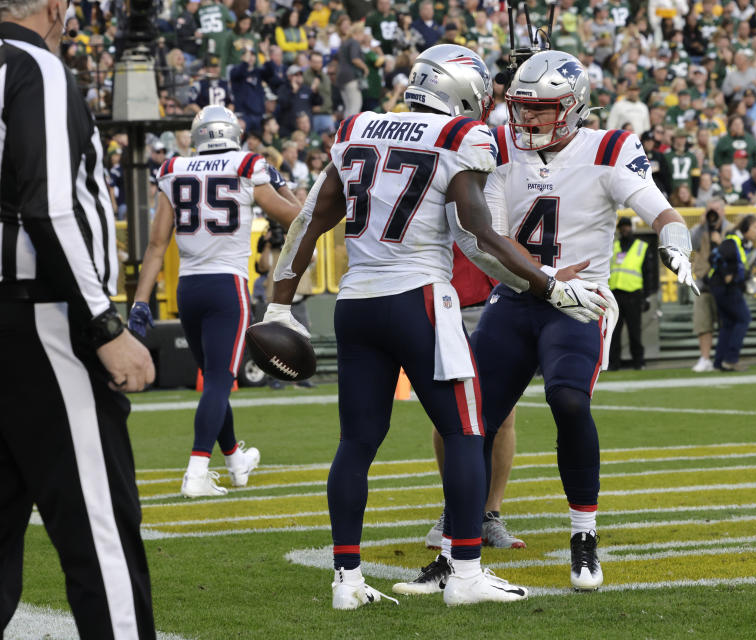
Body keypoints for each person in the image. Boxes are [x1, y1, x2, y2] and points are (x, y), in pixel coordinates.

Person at [262, 44, 607, 609]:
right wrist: (548, 284)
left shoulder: (358, 127)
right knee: (468, 432)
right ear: (462, 93)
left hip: (356, 303)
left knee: (356, 442)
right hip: (420, 299)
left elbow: (309, 220)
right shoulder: (457, 138)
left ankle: (346, 582)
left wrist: (279, 304)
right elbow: (480, 237)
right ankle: (466, 572)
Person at [442, 50, 697, 592]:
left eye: (542, 109)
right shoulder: (498, 141)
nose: (527, 119)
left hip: (581, 300)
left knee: (569, 399)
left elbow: (660, 210)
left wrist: (675, 238)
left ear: (574, 107)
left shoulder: (610, 146)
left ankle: (584, 535)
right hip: (514, 298)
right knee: (472, 418)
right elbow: (484, 230)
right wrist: (541, 274)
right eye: (522, 107)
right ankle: (455, 546)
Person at [0, 1, 156, 637]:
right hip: (42, 318)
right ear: (55, 8)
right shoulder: (33, 66)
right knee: (100, 527)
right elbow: (50, 205)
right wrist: (104, 326)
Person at [128, 106, 302, 498]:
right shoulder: (247, 164)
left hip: (188, 289)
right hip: (227, 287)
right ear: (232, 134)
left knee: (213, 377)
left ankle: (235, 459)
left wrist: (140, 302)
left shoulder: (174, 169)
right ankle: (196, 472)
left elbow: (157, 245)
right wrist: (282, 183)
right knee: (221, 379)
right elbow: (296, 219)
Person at [419, 248, 526, 556]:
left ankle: (490, 514)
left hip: (502, 301)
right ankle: (454, 509)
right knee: (449, 415)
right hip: (447, 303)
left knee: (504, 416)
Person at [708, 214, 756, 372]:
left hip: (721, 288)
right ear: (745, 228)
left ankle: (719, 362)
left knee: (729, 324)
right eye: (755, 227)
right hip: (725, 288)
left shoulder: (740, 242)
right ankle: (731, 359)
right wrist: (726, 275)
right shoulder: (732, 241)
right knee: (744, 319)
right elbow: (714, 257)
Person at [609, 217, 658, 370]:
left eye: (627, 226)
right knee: (614, 332)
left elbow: (648, 273)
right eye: (622, 227)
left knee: (634, 331)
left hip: (633, 294)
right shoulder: (614, 246)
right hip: (615, 293)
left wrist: (647, 296)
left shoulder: (640, 247)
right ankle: (613, 363)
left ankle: (638, 361)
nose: (625, 229)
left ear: (631, 227)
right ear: (618, 229)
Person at [690, 201, 733, 372]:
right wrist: (701, 226)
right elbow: (690, 246)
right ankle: (705, 358)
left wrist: (721, 241)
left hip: (724, 283)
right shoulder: (699, 229)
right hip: (704, 283)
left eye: (716, 210)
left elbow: (735, 251)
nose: (713, 214)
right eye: (710, 211)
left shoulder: (730, 229)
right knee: (703, 323)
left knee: (726, 323)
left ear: (723, 212)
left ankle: (723, 357)